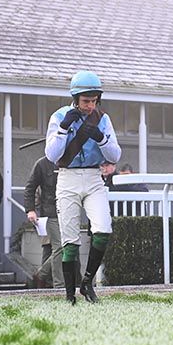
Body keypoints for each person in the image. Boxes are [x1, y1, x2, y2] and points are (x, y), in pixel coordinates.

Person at [45, 70, 121, 304]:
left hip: (93, 177)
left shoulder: (103, 119)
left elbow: (115, 155)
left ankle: (87, 283)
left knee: (103, 229)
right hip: (67, 178)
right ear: (75, 98)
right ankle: (69, 295)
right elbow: (51, 155)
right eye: (86, 101)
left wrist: (101, 138)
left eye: (94, 101)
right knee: (70, 240)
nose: (90, 106)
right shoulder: (59, 117)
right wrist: (62, 130)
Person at [24, 156, 64, 288]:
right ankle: (59, 286)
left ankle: (41, 276)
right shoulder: (41, 164)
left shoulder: (71, 159)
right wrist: (30, 210)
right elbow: (30, 188)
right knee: (59, 247)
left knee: (60, 247)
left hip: (66, 211)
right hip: (49, 213)